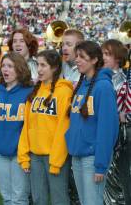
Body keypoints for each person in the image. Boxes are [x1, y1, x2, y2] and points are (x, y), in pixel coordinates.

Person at [65, 41, 119, 205]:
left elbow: (107, 130)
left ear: (95, 59)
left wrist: (101, 165)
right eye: (77, 56)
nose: (77, 60)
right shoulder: (81, 86)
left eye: (82, 57)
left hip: (93, 158)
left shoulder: (103, 87)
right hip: (78, 155)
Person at [18, 49, 73, 205]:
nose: (39, 69)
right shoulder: (35, 92)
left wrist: (55, 161)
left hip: (55, 157)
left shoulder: (64, 92)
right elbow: (27, 126)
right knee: (38, 199)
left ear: (54, 68)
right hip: (35, 156)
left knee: (59, 199)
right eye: (37, 65)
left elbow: (64, 128)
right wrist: (24, 155)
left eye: (43, 65)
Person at [0, 52, 33, 205]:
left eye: (10, 66)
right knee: (7, 196)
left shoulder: (29, 92)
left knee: (19, 198)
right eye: (3, 66)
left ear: (20, 69)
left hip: (21, 153)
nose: (5, 69)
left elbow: (31, 126)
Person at [101, 39, 127, 205]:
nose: (103, 57)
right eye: (102, 53)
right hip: (100, 135)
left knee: (113, 180)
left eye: (107, 54)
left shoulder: (123, 81)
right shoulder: (99, 78)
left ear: (118, 58)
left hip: (117, 137)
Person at [62, 29, 84, 205]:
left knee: (78, 188)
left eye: (69, 44)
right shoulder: (61, 68)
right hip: (62, 134)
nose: (64, 47)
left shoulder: (85, 71)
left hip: (78, 136)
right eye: (63, 44)